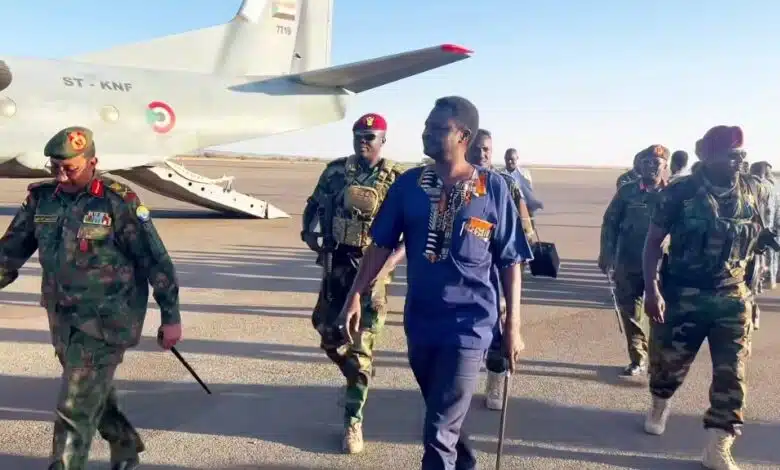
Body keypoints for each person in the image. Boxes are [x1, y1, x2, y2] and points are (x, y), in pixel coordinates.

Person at [339, 96, 532, 469]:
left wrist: (513, 327)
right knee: (442, 413)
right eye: (426, 126)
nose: (426, 133)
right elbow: (380, 246)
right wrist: (355, 295)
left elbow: (511, 261)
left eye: (437, 128)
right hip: (422, 323)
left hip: (470, 325)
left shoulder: (493, 189)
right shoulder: (409, 186)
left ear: (463, 136)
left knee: (439, 430)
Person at [0, 126, 182, 470]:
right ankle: (124, 443)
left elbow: (154, 259)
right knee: (89, 389)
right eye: (55, 167)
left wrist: (170, 316)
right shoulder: (43, 199)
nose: (61, 175)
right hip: (62, 315)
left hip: (108, 318)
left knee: (73, 403)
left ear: (92, 163)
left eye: (70, 168)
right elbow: (9, 252)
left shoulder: (117, 201)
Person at [642, 125, 776, 470]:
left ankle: (719, 444)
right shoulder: (681, 192)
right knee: (667, 366)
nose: (739, 161)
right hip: (683, 295)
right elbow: (653, 242)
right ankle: (660, 401)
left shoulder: (754, 190)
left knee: (732, 374)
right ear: (709, 156)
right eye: (731, 155)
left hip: (733, 297)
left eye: (741, 154)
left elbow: (763, 233)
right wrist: (652, 288)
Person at [300, 113, 406, 454]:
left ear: (383, 140)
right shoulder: (335, 172)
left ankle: (352, 420)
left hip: (372, 271)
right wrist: (310, 234)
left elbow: (410, 233)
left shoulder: (398, 179)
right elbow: (314, 205)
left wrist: (388, 264)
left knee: (361, 351)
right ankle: (356, 374)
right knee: (326, 333)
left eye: (370, 136)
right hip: (338, 266)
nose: (364, 140)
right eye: (359, 134)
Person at [466, 128, 535, 409]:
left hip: (496, 269)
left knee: (498, 328)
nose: (481, 153)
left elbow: (523, 223)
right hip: (467, 270)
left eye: (486, 149)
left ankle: (495, 378)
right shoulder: (454, 182)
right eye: (477, 148)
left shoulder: (503, 183)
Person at [598, 144, 670, 376]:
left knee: (662, 314)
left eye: (656, 162)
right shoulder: (627, 192)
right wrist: (606, 253)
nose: (650, 166)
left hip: (662, 267)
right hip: (628, 262)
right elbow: (610, 222)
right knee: (629, 313)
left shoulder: (674, 193)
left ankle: (659, 358)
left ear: (665, 165)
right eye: (646, 162)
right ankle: (638, 357)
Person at [503, 148, 543, 213]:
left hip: (523, 207)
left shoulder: (524, 173)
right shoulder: (500, 175)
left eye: (512, 159)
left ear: (517, 158)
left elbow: (529, 191)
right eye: (507, 159)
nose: (509, 162)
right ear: (504, 159)